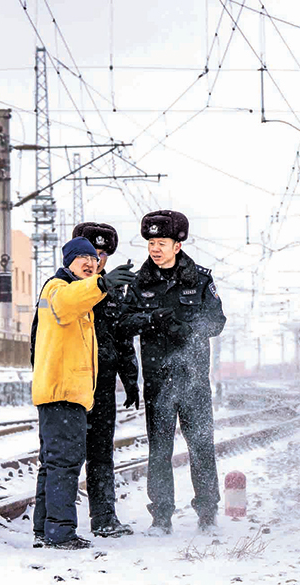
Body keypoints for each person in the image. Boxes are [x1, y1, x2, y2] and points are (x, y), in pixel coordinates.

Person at [120, 210, 227, 536]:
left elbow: (217, 321)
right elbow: (123, 323)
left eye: (162, 242)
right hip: (158, 380)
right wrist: (154, 320)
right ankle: (161, 516)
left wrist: (189, 330)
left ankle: (207, 513)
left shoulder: (200, 279)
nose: (155, 248)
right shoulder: (139, 283)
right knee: (159, 450)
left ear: (177, 245)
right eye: (151, 242)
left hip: (193, 378)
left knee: (201, 446)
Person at [31, 237, 136, 549]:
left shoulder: (80, 295)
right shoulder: (58, 288)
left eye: (95, 261)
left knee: (53, 463)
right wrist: (102, 284)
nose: (90, 265)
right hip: (62, 393)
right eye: (83, 261)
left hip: (65, 393)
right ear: (68, 263)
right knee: (65, 463)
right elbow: (67, 303)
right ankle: (60, 533)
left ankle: (44, 528)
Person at [71, 222, 139, 538]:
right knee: (65, 456)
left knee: (101, 454)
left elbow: (123, 336)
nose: (96, 260)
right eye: (90, 253)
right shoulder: (63, 287)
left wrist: (131, 378)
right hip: (71, 384)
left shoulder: (116, 290)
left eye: (102, 254)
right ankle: (58, 524)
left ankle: (104, 518)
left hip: (103, 384)